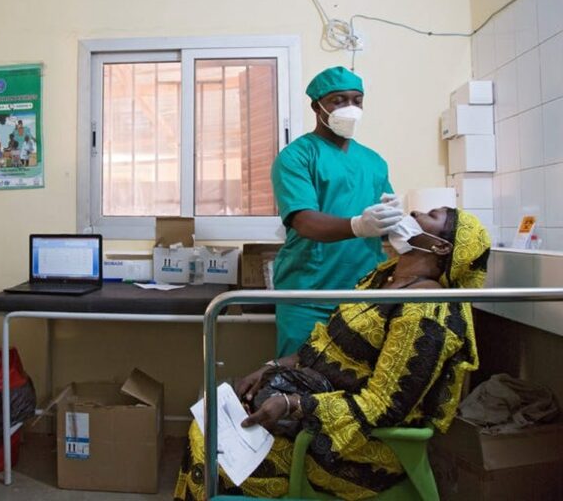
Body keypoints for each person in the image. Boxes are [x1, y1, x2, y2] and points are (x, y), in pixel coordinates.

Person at [175, 207, 490, 501]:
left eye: (430, 215)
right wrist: (270, 367)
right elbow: (328, 345)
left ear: (441, 248)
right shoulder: (382, 280)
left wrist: (293, 404)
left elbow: (383, 407)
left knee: (209, 452)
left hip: (355, 449)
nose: (415, 213)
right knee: (206, 423)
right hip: (322, 412)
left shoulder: (426, 312)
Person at [270, 66, 401, 357]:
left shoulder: (374, 161)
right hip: (308, 295)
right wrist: (357, 226)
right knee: (299, 382)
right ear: (317, 106)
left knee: (354, 386)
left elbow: (385, 220)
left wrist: (399, 224)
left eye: (357, 100)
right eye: (338, 100)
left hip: (362, 294)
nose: (350, 108)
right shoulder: (297, 156)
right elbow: (303, 221)